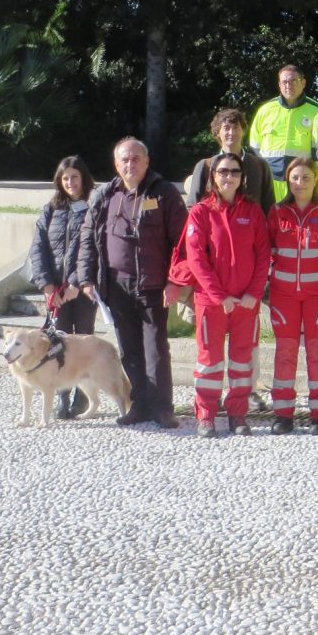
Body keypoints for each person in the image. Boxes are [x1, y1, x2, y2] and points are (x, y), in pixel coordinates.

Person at [78, 138, 186, 430]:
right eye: (124, 160)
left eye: (136, 159)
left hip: (154, 285)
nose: (130, 164)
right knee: (129, 349)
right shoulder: (104, 195)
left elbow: (183, 243)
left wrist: (175, 281)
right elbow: (88, 238)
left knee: (155, 349)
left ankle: (162, 408)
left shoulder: (164, 194)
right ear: (116, 165)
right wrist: (87, 277)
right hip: (116, 286)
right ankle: (138, 404)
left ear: (147, 162)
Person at [181, 153, 271, 438]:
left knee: (242, 361)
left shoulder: (253, 212)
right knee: (209, 361)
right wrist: (220, 296)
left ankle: (238, 414)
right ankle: (206, 415)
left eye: (234, 171)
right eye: (222, 171)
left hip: (245, 302)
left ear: (242, 177)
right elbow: (196, 259)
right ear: (213, 177)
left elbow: (263, 255)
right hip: (211, 302)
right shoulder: (200, 212)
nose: (228, 176)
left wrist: (253, 294)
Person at [267, 158, 318, 435]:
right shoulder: (276, 212)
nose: (300, 183)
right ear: (288, 181)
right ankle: (283, 414)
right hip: (283, 294)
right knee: (285, 353)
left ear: (316, 180)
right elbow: (269, 252)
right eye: (295, 178)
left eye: (306, 177)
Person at [29, 155, 96, 419]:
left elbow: (93, 249)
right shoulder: (50, 209)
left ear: (83, 178)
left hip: (82, 288)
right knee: (58, 342)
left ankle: (82, 394)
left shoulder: (93, 206)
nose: (70, 182)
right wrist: (46, 285)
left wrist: (77, 284)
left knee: (83, 340)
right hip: (56, 290)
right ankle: (62, 396)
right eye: (65, 178)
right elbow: (38, 248)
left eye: (75, 177)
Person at [249, 64, 318, 203]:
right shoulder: (265, 110)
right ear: (279, 84)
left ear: (303, 82)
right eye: (285, 82)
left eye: (293, 81)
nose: (289, 85)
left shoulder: (317, 111)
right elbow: (255, 144)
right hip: (270, 180)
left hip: (301, 182)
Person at [186, 108, 275, 212]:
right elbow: (192, 207)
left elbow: (269, 208)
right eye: (226, 128)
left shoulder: (260, 165)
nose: (231, 132)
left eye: (236, 127)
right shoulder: (205, 166)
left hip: (251, 227)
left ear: (243, 131)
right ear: (217, 132)